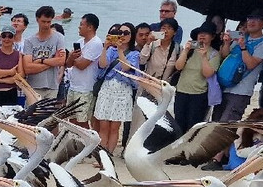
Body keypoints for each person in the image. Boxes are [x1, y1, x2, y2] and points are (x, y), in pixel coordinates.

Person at [211, 11, 263, 125]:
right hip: (225, 87)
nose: (251, 22)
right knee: (214, 123)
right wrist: (226, 43)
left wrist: (243, 47)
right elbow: (225, 55)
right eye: (250, 18)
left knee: (226, 127)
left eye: (256, 19)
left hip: (241, 92)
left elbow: (251, 64)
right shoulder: (241, 36)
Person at [92, 22, 140, 153]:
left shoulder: (134, 54)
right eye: (120, 32)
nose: (122, 35)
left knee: (114, 127)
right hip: (107, 89)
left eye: (126, 33)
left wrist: (120, 50)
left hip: (122, 92)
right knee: (103, 125)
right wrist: (105, 48)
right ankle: (102, 153)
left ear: (132, 35)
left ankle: (109, 153)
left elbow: (126, 68)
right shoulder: (110, 51)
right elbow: (102, 64)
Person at [172, 26, 220, 135]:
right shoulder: (190, 51)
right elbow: (178, 66)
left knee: (193, 125)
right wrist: (186, 50)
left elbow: (207, 73)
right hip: (181, 91)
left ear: (212, 37)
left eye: (206, 33)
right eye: (200, 33)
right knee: (178, 123)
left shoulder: (214, 54)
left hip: (199, 94)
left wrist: (204, 57)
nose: (202, 36)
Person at [63, 13, 104, 126]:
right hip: (73, 86)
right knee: (72, 120)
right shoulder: (80, 42)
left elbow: (82, 65)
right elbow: (68, 64)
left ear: (90, 27)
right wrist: (71, 58)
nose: (79, 27)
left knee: (82, 122)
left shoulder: (96, 43)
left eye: (81, 24)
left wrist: (72, 57)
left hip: (86, 88)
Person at [22, 5, 67, 99]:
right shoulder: (29, 41)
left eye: (48, 22)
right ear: (37, 20)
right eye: (43, 21)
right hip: (33, 86)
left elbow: (61, 61)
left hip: (52, 86)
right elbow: (28, 68)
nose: (46, 25)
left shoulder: (59, 38)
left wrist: (41, 61)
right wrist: (52, 61)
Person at [140, 18, 180, 82]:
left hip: (165, 86)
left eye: (169, 28)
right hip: (148, 83)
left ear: (175, 32)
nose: (165, 31)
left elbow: (179, 68)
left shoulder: (178, 49)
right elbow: (142, 61)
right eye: (163, 28)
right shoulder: (152, 44)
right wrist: (148, 43)